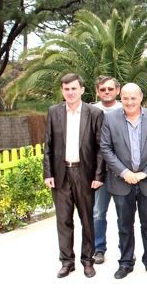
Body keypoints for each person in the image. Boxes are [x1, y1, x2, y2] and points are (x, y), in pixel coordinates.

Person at [100, 83, 147, 279]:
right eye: (126, 98)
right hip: (122, 182)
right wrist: (123, 172)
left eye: (133, 98)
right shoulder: (110, 119)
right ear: (121, 98)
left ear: (140, 98)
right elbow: (106, 148)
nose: (129, 102)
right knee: (124, 225)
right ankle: (126, 262)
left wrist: (145, 173)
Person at [43, 73, 105, 278]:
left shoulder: (94, 113)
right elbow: (48, 145)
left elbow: (100, 148)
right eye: (66, 89)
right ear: (62, 90)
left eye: (73, 89)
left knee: (87, 219)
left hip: (84, 174)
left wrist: (98, 175)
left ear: (82, 90)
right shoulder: (54, 112)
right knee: (63, 220)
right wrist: (48, 173)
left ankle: (88, 261)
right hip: (60, 174)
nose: (70, 92)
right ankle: (67, 262)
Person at [91, 76, 122, 265]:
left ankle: (125, 249)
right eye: (103, 89)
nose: (107, 92)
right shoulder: (91, 111)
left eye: (110, 89)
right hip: (98, 171)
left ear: (117, 90)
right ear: (97, 91)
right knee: (97, 212)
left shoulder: (125, 108)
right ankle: (98, 248)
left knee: (123, 213)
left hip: (120, 171)